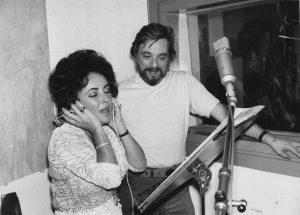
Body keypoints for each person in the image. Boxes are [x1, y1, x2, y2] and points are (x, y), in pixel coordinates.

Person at [117, 23, 300, 215]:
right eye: (147, 56)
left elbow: (228, 116)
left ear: (170, 58)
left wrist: (270, 139)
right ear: (135, 55)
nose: (154, 65)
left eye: (161, 57)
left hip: (175, 184)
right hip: (135, 185)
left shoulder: (183, 82)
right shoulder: (118, 93)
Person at [47, 49, 146, 215]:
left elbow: (139, 165)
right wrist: (96, 128)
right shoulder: (64, 138)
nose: (105, 99)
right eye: (94, 94)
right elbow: (111, 179)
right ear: (73, 102)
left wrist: (119, 126)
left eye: (107, 91)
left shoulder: (106, 128)